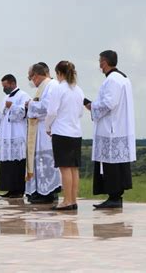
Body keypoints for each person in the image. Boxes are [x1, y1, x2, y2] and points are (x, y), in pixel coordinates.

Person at [85, 50, 135, 209]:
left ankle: (114, 197)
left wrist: (91, 106)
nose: (99, 64)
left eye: (100, 61)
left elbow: (109, 103)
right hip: (119, 127)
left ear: (104, 62)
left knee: (111, 164)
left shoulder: (112, 80)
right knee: (116, 164)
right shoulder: (123, 78)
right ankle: (115, 196)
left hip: (111, 129)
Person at [45, 61, 84, 210]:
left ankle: (67, 200)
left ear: (59, 73)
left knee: (64, 168)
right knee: (74, 168)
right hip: (76, 132)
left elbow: (52, 111)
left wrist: (48, 126)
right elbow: (80, 112)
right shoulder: (78, 90)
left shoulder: (59, 89)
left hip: (61, 131)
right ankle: (73, 200)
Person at [0, 74, 30, 198]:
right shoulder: (5, 97)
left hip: (17, 133)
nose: (4, 89)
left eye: (5, 86)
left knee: (17, 163)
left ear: (12, 83)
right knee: (7, 164)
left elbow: (24, 113)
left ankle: (19, 190)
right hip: (6, 133)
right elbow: (0, 116)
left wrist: (12, 106)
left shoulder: (23, 96)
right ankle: (10, 189)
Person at [25, 63, 61, 204]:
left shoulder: (51, 86)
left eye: (31, 77)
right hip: (40, 130)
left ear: (37, 75)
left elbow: (47, 107)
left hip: (47, 131)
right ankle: (40, 191)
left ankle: (48, 192)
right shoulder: (44, 87)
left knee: (46, 162)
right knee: (40, 162)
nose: (31, 81)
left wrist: (30, 105)